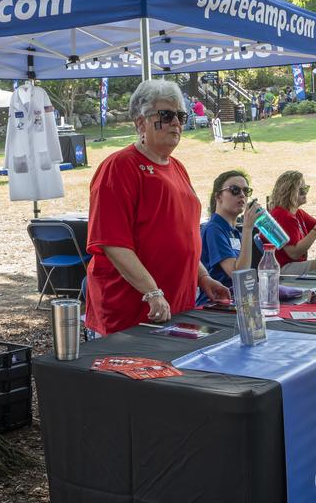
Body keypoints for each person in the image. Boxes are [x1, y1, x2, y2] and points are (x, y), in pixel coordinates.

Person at [85, 80, 231, 335]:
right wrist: (151, 291)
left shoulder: (177, 167)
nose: (176, 122)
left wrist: (203, 277)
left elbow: (183, 234)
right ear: (141, 122)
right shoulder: (118, 168)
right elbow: (113, 244)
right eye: (166, 115)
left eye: (180, 116)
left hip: (176, 309)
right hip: (130, 315)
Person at [199, 171, 263, 303]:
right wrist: (247, 229)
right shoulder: (214, 229)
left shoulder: (233, 231)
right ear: (218, 197)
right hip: (215, 305)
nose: (242, 195)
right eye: (234, 190)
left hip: (235, 302)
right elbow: (238, 275)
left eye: (246, 191)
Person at [267, 171, 316, 275]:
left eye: (306, 189)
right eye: (301, 191)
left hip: (292, 264)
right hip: (282, 269)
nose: (306, 193)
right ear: (289, 193)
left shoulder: (297, 213)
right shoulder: (282, 216)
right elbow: (294, 253)